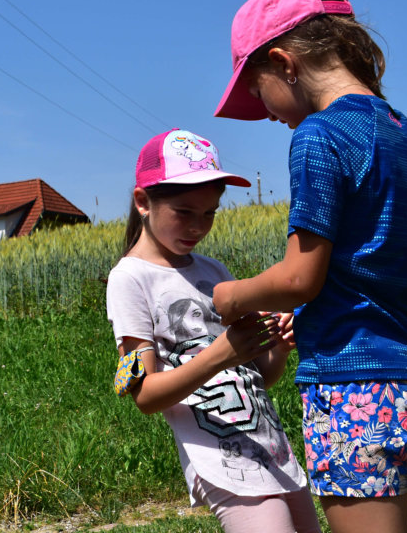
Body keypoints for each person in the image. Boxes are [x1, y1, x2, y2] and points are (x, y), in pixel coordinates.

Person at [210, 0, 407, 533]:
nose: (266, 111)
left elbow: (300, 278)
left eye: (258, 91)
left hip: (355, 388)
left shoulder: (318, 136)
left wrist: (231, 295)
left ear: (284, 63)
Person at [107, 128, 322, 533]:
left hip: (271, 447)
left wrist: (278, 346)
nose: (197, 227)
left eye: (209, 213)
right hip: (221, 460)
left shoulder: (214, 271)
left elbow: (261, 376)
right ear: (143, 202)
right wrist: (221, 354)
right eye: (184, 212)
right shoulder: (130, 279)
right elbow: (145, 395)